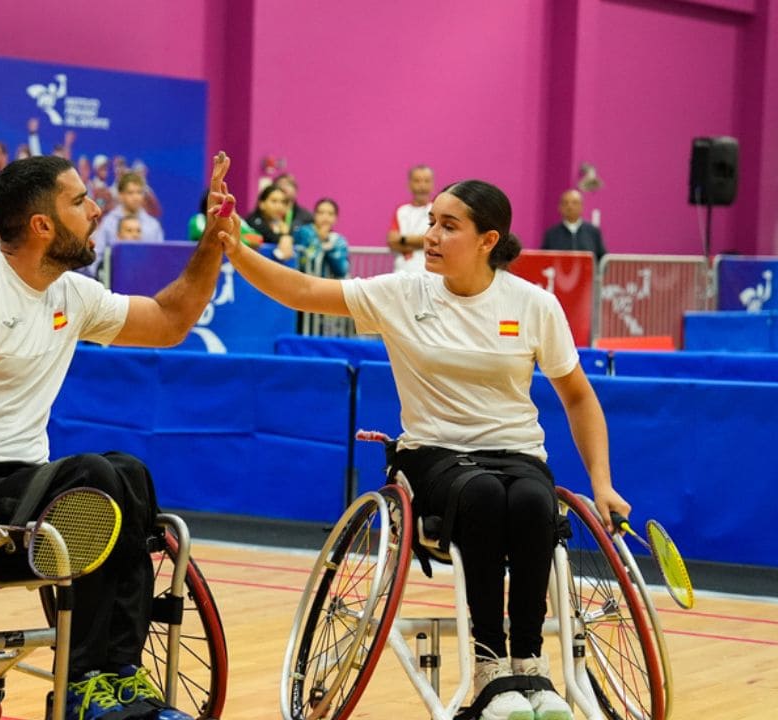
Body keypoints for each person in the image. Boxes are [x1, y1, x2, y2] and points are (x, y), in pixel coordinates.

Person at [213, 178, 630, 720]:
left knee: (531, 503)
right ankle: (487, 669)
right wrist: (235, 247)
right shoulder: (403, 294)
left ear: (487, 240)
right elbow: (301, 291)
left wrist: (602, 482)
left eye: (447, 226)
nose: (429, 235)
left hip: (517, 453)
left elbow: (578, 397)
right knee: (480, 496)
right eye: (430, 221)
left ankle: (530, 665)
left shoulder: (533, 306)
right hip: (435, 455)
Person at [0, 152, 236, 720]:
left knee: (129, 473)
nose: (95, 208)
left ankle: (120, 677)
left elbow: (168, 320)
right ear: (42, 225)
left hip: (21, 491)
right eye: (80, 201)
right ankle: (81, 683)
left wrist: (212, 243)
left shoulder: (69, 294)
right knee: (96, 474)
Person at [85, 171, 165, 278]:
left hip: (146, 282)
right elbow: (96, 256)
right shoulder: (109, 223)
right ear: (121, 195)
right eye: (131, 193)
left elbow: (159, 259)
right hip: (114, 285)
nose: (136, 197)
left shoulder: (153, 225)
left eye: (139, 192)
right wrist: (103, 279)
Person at [387, 164, 434, 273]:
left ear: (432, 185)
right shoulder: (401, 211)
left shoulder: (437, 210)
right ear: (409, 184)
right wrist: (420, 243)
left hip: (428, 273)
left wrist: (402, 239)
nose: (422, 185)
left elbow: (431, 240)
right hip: (401, 271)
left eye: (426, 181)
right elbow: (392, 241)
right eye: (417, 181)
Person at [292, 198, 350, 278]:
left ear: (336, 218)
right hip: (304, 283)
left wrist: (327, 243)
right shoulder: (303, 233)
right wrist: (317, 241)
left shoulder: (339, 241)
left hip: (328, 286)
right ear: (314, 215)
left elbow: (341, 271)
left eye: (330, 214)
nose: (325, 217)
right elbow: (300, 260)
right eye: (321, 213)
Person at [542, 190, 606, 261]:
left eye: (574, 203)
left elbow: (602, 259)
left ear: (581, 206)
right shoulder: (551, 234)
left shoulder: (593, 232)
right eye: (565, 203)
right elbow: (544, 259)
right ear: (560, 207)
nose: (570, 206)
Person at [244, 184, 295, 261]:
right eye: (274, 201)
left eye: (283, 202)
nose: (279, 206)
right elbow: (268, 237)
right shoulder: (253, 221)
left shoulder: (280, 224)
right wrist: (285, 235)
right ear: (262, 204)